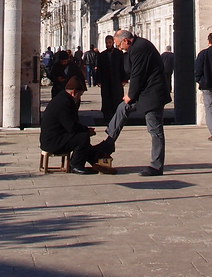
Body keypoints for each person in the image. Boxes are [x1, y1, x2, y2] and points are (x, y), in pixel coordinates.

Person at [103, 29, 170, 176]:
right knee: (122, 108)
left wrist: (130, 95)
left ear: (126, 40)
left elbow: (138, 74)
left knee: (155, 129)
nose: (118, 47)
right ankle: (108, 142)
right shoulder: (134, 48)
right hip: (144, 92)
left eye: (119, 44)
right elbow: (130, 70)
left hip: (153, 94)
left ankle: (156, 166)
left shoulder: (140, 48)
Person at [39, 76, 114, 174]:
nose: (80, 98)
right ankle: (76, 165)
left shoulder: (63, 99)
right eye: (80, 95)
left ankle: (96, 159)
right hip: (52, 142)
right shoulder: (64, 103)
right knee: (82, 138)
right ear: (74, 92)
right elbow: (71, 126)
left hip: (53, 138)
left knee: (83, 139)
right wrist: (87, 131)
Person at [95, 34, 125, 123]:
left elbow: (123, 67)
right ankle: (107, 117)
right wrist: (98, 80)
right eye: (107, 43)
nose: (108, 44)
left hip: (117, 80)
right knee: (106, 98)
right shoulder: (102, 55)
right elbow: (99, 68)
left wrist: (124, 79)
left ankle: (118, 117)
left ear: (113, 43)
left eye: (110, 42)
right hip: (105, 80)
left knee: (117, 98)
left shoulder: (119, 54)